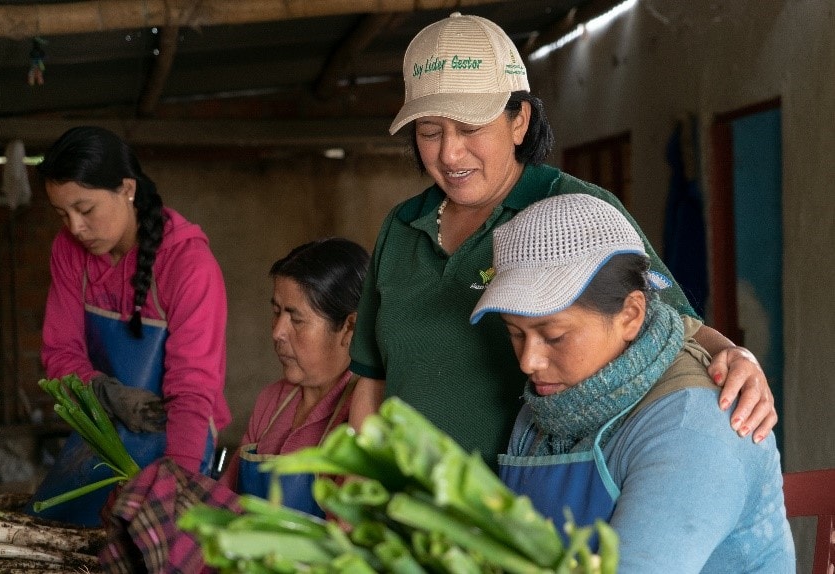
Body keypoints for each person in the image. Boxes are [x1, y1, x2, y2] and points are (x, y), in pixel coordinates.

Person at [348, 12, 776, 466]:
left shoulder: (576, 209)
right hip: (406, 499)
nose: (450, 153)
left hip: (533, 492)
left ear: (519, 121)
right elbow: (372, 380)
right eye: (429, 132)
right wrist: (359, 483)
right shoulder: (402, 226)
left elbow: (675, 324)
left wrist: (736, 356)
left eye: (470, 129)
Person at [469, 193, 794, 572]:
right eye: (515, 333)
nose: (529, 361)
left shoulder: (694, 424)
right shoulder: (548, 406)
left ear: (630, 315)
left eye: (554, 336)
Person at [25, 126, 231, 527]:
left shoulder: (188, 264)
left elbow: (192, 390)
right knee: (52, 525)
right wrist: (105, 393)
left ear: (127, 189)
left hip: (178, 439)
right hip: (100, 431)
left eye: (85, 210)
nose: (75, 228)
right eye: (62, 214)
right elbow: (60, 353)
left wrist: (179, 483)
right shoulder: (68, 251)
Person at [219, 237, 369, 517]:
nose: (277, 332)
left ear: (350, 327)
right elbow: (224, 501)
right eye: (276, 312)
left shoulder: (362, 411)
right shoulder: (271, 401)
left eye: (296, 319)